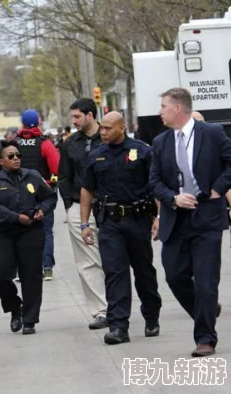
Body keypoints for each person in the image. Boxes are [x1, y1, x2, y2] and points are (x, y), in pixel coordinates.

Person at [149, 87, 231, 357]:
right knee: (174, 276)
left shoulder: (212, 133)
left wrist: (218, 189)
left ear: (177, 108)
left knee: (207, 281)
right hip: (177, 218)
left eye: (163, 106)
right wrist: (173, 199)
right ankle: (206, 308)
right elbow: (154, 182)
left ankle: (205, 338)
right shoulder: (160, 142)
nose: (159, 111)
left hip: (207, 217)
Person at [80, 111, 162, 345]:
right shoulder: (96, 156)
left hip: (138, 220)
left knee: (144, 271)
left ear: (121, 128)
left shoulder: (143, 152)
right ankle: (118, 326)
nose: (103, 132)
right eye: (101, 128)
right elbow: (87, 190)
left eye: (107, 128)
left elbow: (155, 185)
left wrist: (159, 218)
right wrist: (85, 224)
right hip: (110, 223)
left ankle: (151, 315)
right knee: (115, 273)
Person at [0, 140, 57, 335]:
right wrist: (16, 218)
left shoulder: (32, 176)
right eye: (10, 156)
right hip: (3, 232)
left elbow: (50, 197)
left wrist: (42, 210)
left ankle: (29, 319)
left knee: (31, 275)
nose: (16, 158)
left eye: (18, 155)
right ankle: (14, 307)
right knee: (0, 273)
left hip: (31, 231)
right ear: (0, 161)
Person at [58, 98, 108, 330]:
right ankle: (101, 311)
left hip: (109, 206)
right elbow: (64, 176)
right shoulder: (70, 144)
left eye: (77, 117)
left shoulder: (108, 138)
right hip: (79, 208)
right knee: (87, 261)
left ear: (90, 115)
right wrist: (69, 205)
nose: (74, 121)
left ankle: (118, 305)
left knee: (112, 258)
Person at [16, 109, 60, 280]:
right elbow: (57, 167)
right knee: (46, 230)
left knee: (20, 231)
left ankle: (22, 271)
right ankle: (47, 267)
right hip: (42, 191)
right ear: (39, 123)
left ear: (22, 124)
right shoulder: (45, 144)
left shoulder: (14, 143)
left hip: (19, 193)